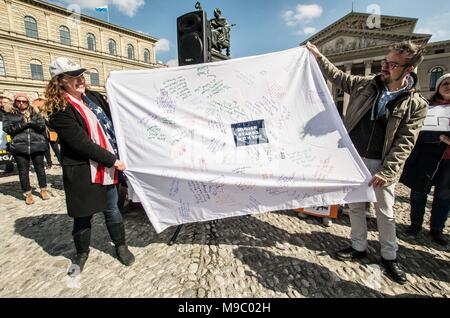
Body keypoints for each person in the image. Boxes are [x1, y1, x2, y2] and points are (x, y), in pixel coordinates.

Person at [306, 41, 428, 284]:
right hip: (353, 158)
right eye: (385, 61)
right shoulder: (366, 85)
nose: (385, 67)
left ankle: (389, 257)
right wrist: (318, 55)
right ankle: (358, 247)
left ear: (409, 69)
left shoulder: (416, 104)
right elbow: (337, 76)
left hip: (381, 165)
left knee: (385, 212)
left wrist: (389, 170)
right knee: (356, 207)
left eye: (393, 64)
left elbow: (405, 141)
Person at [44, 57, 135, 275]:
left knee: (112, 209)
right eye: (73, 77)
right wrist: (113, 160)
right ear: (60, 81)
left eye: (81, 75)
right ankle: (82, 252)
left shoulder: (93, 97)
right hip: (83, 169)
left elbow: (116, 115)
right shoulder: (60, 109)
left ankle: (120, 246)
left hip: (106, 168)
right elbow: (80, 143)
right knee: (82, 215)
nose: (80, 80)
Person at [400, 73, 450, 246]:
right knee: (419, 193)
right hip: (426, 158)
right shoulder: (427, 106)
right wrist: (440, 138)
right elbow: (415, 131)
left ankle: (437, 229)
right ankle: (415, 225)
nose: (448, 86)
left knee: (444, 197)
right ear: (438, 87)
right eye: (445, 83)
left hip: (448, 161)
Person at [2, 93, 50, 204]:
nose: (21, 103)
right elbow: (8, 129)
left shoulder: (35, 113)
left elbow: (41, 126)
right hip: (20, 147)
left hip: (37, 145)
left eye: (24, 101)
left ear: (28, 103)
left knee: (40, 169)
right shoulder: (9, 115)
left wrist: (30, 121)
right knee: (23, 171)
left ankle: (43, 189)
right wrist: (24, 122)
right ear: (15, 102)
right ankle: (28, 193)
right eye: (19, 101)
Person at [32, 98, 61, 168]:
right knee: (46, 150)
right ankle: (49, 163)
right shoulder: (36, 116)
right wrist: (40, 117)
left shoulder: (49, 114)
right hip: (42, 134)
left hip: (51, 133)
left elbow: (51, 124)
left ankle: (60, 161)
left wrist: (44, 118)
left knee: (56, 148)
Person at [0, 96, 14, 174]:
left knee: (10, 147)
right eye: (2, 102)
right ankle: (8, 166)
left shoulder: (13, 111)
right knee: (3, 149)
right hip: (2, 134)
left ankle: (11, 165)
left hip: (10, 134)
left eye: (5, 102)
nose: (3, 104)